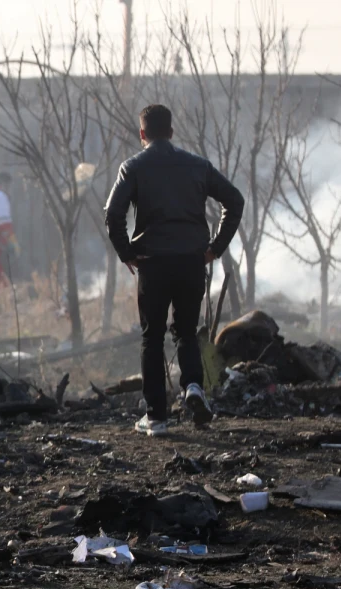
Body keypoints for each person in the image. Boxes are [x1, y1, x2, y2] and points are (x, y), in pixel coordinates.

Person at [104, 104, 245, 437]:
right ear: (171, 130)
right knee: (185, 330)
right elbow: (235, 200)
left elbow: (113, 214)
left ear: (143, 134)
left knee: (152, 337)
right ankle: (194, 387)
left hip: (152, 263)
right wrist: (215, 246)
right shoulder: (197, 166)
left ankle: (156, 418)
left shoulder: (133, 167)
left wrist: (126, 253)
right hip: (192, 262)